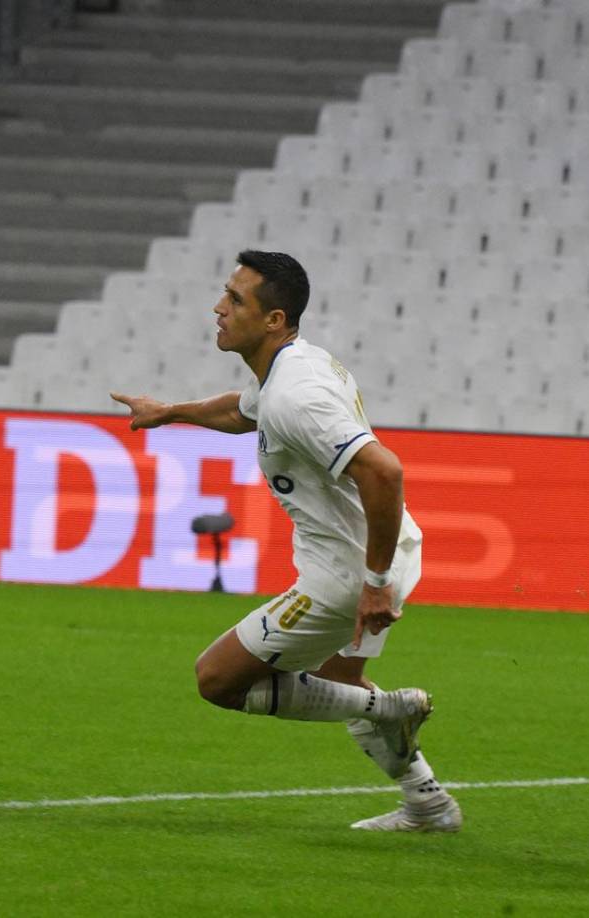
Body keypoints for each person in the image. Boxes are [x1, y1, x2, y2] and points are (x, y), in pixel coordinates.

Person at [112, 249, 461, 832]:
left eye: (235, 300)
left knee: (218, 680)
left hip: (349, 576)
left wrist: (371, 587)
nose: (218, 308)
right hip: (392, 550)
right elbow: (243, 412)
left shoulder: (295, 396)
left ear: (274, 319)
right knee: (339, 683)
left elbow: (384, 471)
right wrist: (169, 411)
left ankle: (391, 708)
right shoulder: (293, 368)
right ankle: (428, 804)